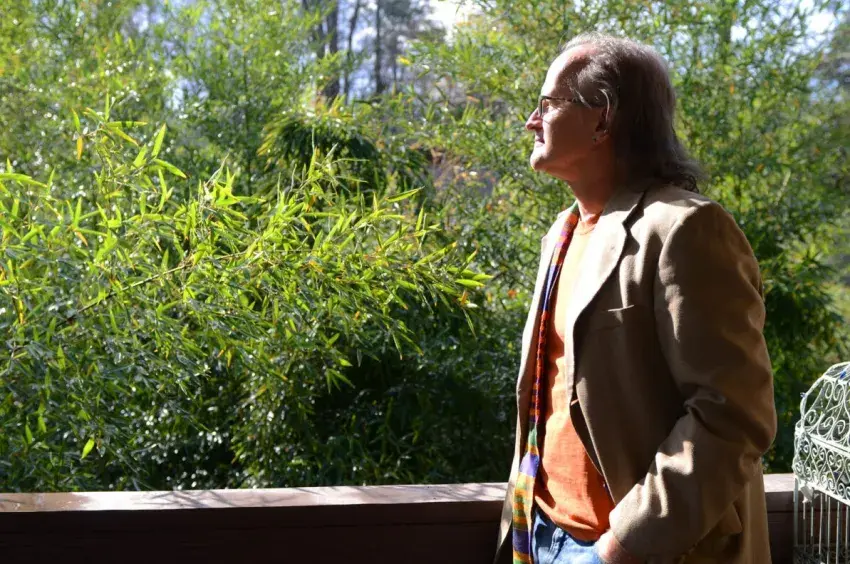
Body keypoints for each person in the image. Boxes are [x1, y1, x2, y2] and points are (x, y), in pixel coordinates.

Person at [495, 33, 777, 564]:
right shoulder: (561, 233)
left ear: (603, 119)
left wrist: (622, 546)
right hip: (540, 534)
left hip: (635, 551)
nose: (532, 121)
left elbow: (734, 416)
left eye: (548, 104)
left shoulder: (685, 229)